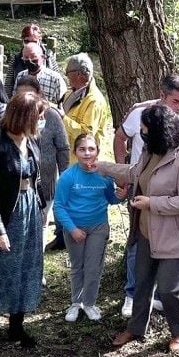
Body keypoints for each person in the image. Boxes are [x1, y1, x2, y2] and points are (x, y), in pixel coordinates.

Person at [100, 105, 179, 352]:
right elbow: (134, 173)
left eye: (145, 131)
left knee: (169, 289)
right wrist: (101, 167)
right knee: (142, 284)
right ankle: (135, 328)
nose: (142, 135)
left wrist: (151, 203)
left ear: (160, 131)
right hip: (147, 231)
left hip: (174, 237)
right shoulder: (150, 150)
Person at [112, 75, 179, 317]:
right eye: (175, 101)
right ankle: (133, 295)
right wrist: (119, 173)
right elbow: (120, 138)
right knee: (138, 242)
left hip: (173, 197)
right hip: (141, 188)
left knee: (168, 245)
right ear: (162, 95)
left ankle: (165, 299)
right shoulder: (141, 114)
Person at [0, 90, 47, 348]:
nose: (41, 121)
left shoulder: (32, 141)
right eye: (38, 116)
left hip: (30, 210)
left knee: (27, 266)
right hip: (8, 213)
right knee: (4, 266)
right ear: (24, 117)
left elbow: (36, 179)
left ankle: (17, 325)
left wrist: (41, 207)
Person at [54, 133, 122, 322]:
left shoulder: (105, 176)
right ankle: (75, 303)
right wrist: (72, 229)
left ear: (97, 152)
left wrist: (121, 195)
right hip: (74, 227)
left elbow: (111, 198)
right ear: (75, 152)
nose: (86, 153)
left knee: (93, 267)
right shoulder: (68, 176)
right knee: (78, 266)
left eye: (91, 149)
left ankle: (90, 303)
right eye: (82, 149)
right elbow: (59, 206)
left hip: (98, 227)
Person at [15, 76, 69, 250]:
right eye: (21, 95)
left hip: (45, 182)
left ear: (39, 94)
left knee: (40, 225)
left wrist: (65, 177)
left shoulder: (51, 115)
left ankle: (36, 266)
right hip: (18, 184)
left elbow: (62, 147)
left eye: (30, 95)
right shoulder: (12, 115)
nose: (26, 100)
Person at [60, 53, 112, 162]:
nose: (66, 75)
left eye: (68, 73)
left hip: (87, 163)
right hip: (70, 159)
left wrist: (62, 117)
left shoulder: (95, 100)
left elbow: (86, 135)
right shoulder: (70, 93)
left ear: (78, 74)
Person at [6, 23, 59, 98]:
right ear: (22, 41)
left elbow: (58, 83)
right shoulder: (16, 59)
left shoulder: (49, 58)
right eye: (27, 41)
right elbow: (8, 86)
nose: (30, 44)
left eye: (34, 41)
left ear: (39, 41)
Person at [14, 42, 68, 107]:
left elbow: (63, 106)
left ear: (42, 57)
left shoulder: (55, 78)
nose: (30, 60)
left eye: (33, 56)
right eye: (26, 57)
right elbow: (15, 100)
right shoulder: (20, 76)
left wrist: (42, 104)